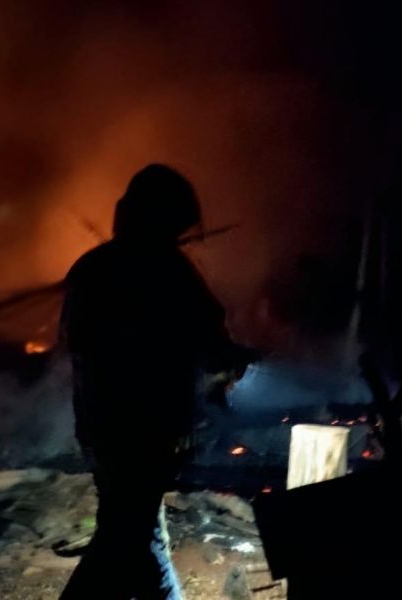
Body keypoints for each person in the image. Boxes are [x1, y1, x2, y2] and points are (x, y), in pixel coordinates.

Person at [59, 164, 254, 599]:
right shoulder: (166, 272)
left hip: (101, 430)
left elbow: (77, 346)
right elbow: (211, 341)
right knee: (122, 540)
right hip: (144, 434)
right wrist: (236, 359)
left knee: (138, 534)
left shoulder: (93, 267)